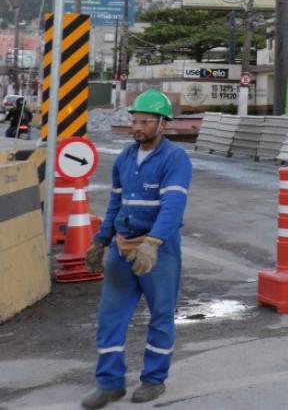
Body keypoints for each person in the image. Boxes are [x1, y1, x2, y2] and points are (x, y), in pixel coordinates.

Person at [80, 90, 192, 409]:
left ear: (162, 123)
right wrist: (101, 240)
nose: (137, 127)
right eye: (135, 120)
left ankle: (154, 381)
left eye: (145, 121)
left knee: (160, 317)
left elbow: (172, 206)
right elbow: (116, 202)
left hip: (159, 251)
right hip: (122, 247)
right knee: (110, 317)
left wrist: (153, 242)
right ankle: (109, 383)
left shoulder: (175, 159)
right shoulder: (126, 158)